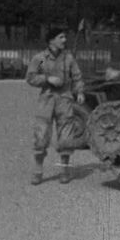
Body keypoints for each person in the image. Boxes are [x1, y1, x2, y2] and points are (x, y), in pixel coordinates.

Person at [26, 27, 85, 185]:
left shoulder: (68, 58)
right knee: (41, 135)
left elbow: (77, 76)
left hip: (64, 99)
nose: (64, 40)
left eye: (65, 37)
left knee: (66, 136)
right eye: (61, 37)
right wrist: (47, 79)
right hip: (47, 99)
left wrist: (79, 91)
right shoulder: (42, 58)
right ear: (51, 40)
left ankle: (64, 171)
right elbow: (31, 77)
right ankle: (38, 170)